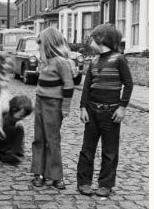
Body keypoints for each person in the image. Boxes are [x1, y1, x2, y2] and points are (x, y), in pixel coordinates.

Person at [77, 24, 134, 198]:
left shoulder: (119, 59)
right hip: (92, 111)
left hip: (111, 113)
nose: (90, 42)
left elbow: (128, 84)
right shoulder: (94, 61)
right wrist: (83, 107)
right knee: (87, 149)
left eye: (92, 38)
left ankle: (105, 184)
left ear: (101, 39)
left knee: (110, 151)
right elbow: (86, 87)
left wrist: (122, 107)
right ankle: (84, 182)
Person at [30, 27, 74, 190]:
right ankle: (39, 172)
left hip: (54, 104)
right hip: (40, 101)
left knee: (52, 140)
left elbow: (68, 86)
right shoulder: (44, 62)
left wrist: (65, 107)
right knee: (39, 138)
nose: (38, 48)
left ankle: (56, 175)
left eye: (40, 44)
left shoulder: (62, 62)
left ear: (48, 44)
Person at [0, 93, 32, 165]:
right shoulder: (5, 110)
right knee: (10, 125)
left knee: (19, 127)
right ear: (14, 109)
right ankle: (0, 152)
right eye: (21, 116)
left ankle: (14, 151)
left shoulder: (13, 112)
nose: (22, 118)